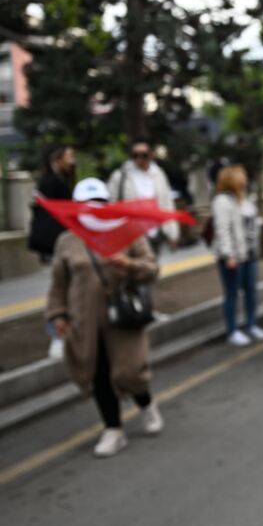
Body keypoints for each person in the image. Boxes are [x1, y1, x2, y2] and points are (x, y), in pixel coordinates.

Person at [45, 179, 163, 458]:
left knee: (130, 370)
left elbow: (152, 269)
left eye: (98, 203)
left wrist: (129, 264)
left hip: (121, 316)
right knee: (98, 375)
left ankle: (147, 405)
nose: (93, 209)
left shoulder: (129, 231)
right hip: (84, 320)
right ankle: (113, 429)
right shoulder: (66, 240)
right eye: (86, 205)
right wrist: (58, 315)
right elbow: (58, 284)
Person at [29, 143, 77, 359]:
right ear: (57, 159)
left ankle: (63, 333)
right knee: (60, 289)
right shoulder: (53, 183)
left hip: (59, 244)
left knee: (64, 287)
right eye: (69, 156)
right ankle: (57, 335)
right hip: (58, 244)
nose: (73, 160)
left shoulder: (54, 182)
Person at [211, 164, 263, 347]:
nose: (246, 179)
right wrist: (228, 255)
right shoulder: (222, 201)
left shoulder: (245, 199)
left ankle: (251, 324)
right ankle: (233, 330)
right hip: (233, 257)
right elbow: (223, 230)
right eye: (242, 176)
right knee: (232, 294)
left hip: (249, 254)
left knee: (251, 291)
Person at [107, 140, 180, 255]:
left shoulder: (159, 174)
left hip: (156, 230)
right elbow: (111, 204)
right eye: (135, 155)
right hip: (133, 233)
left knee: (154, 266)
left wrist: (173, 233)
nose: (139, 159)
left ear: (151, 155)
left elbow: (167, 204)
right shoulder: (121, 176)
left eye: (143, 155)